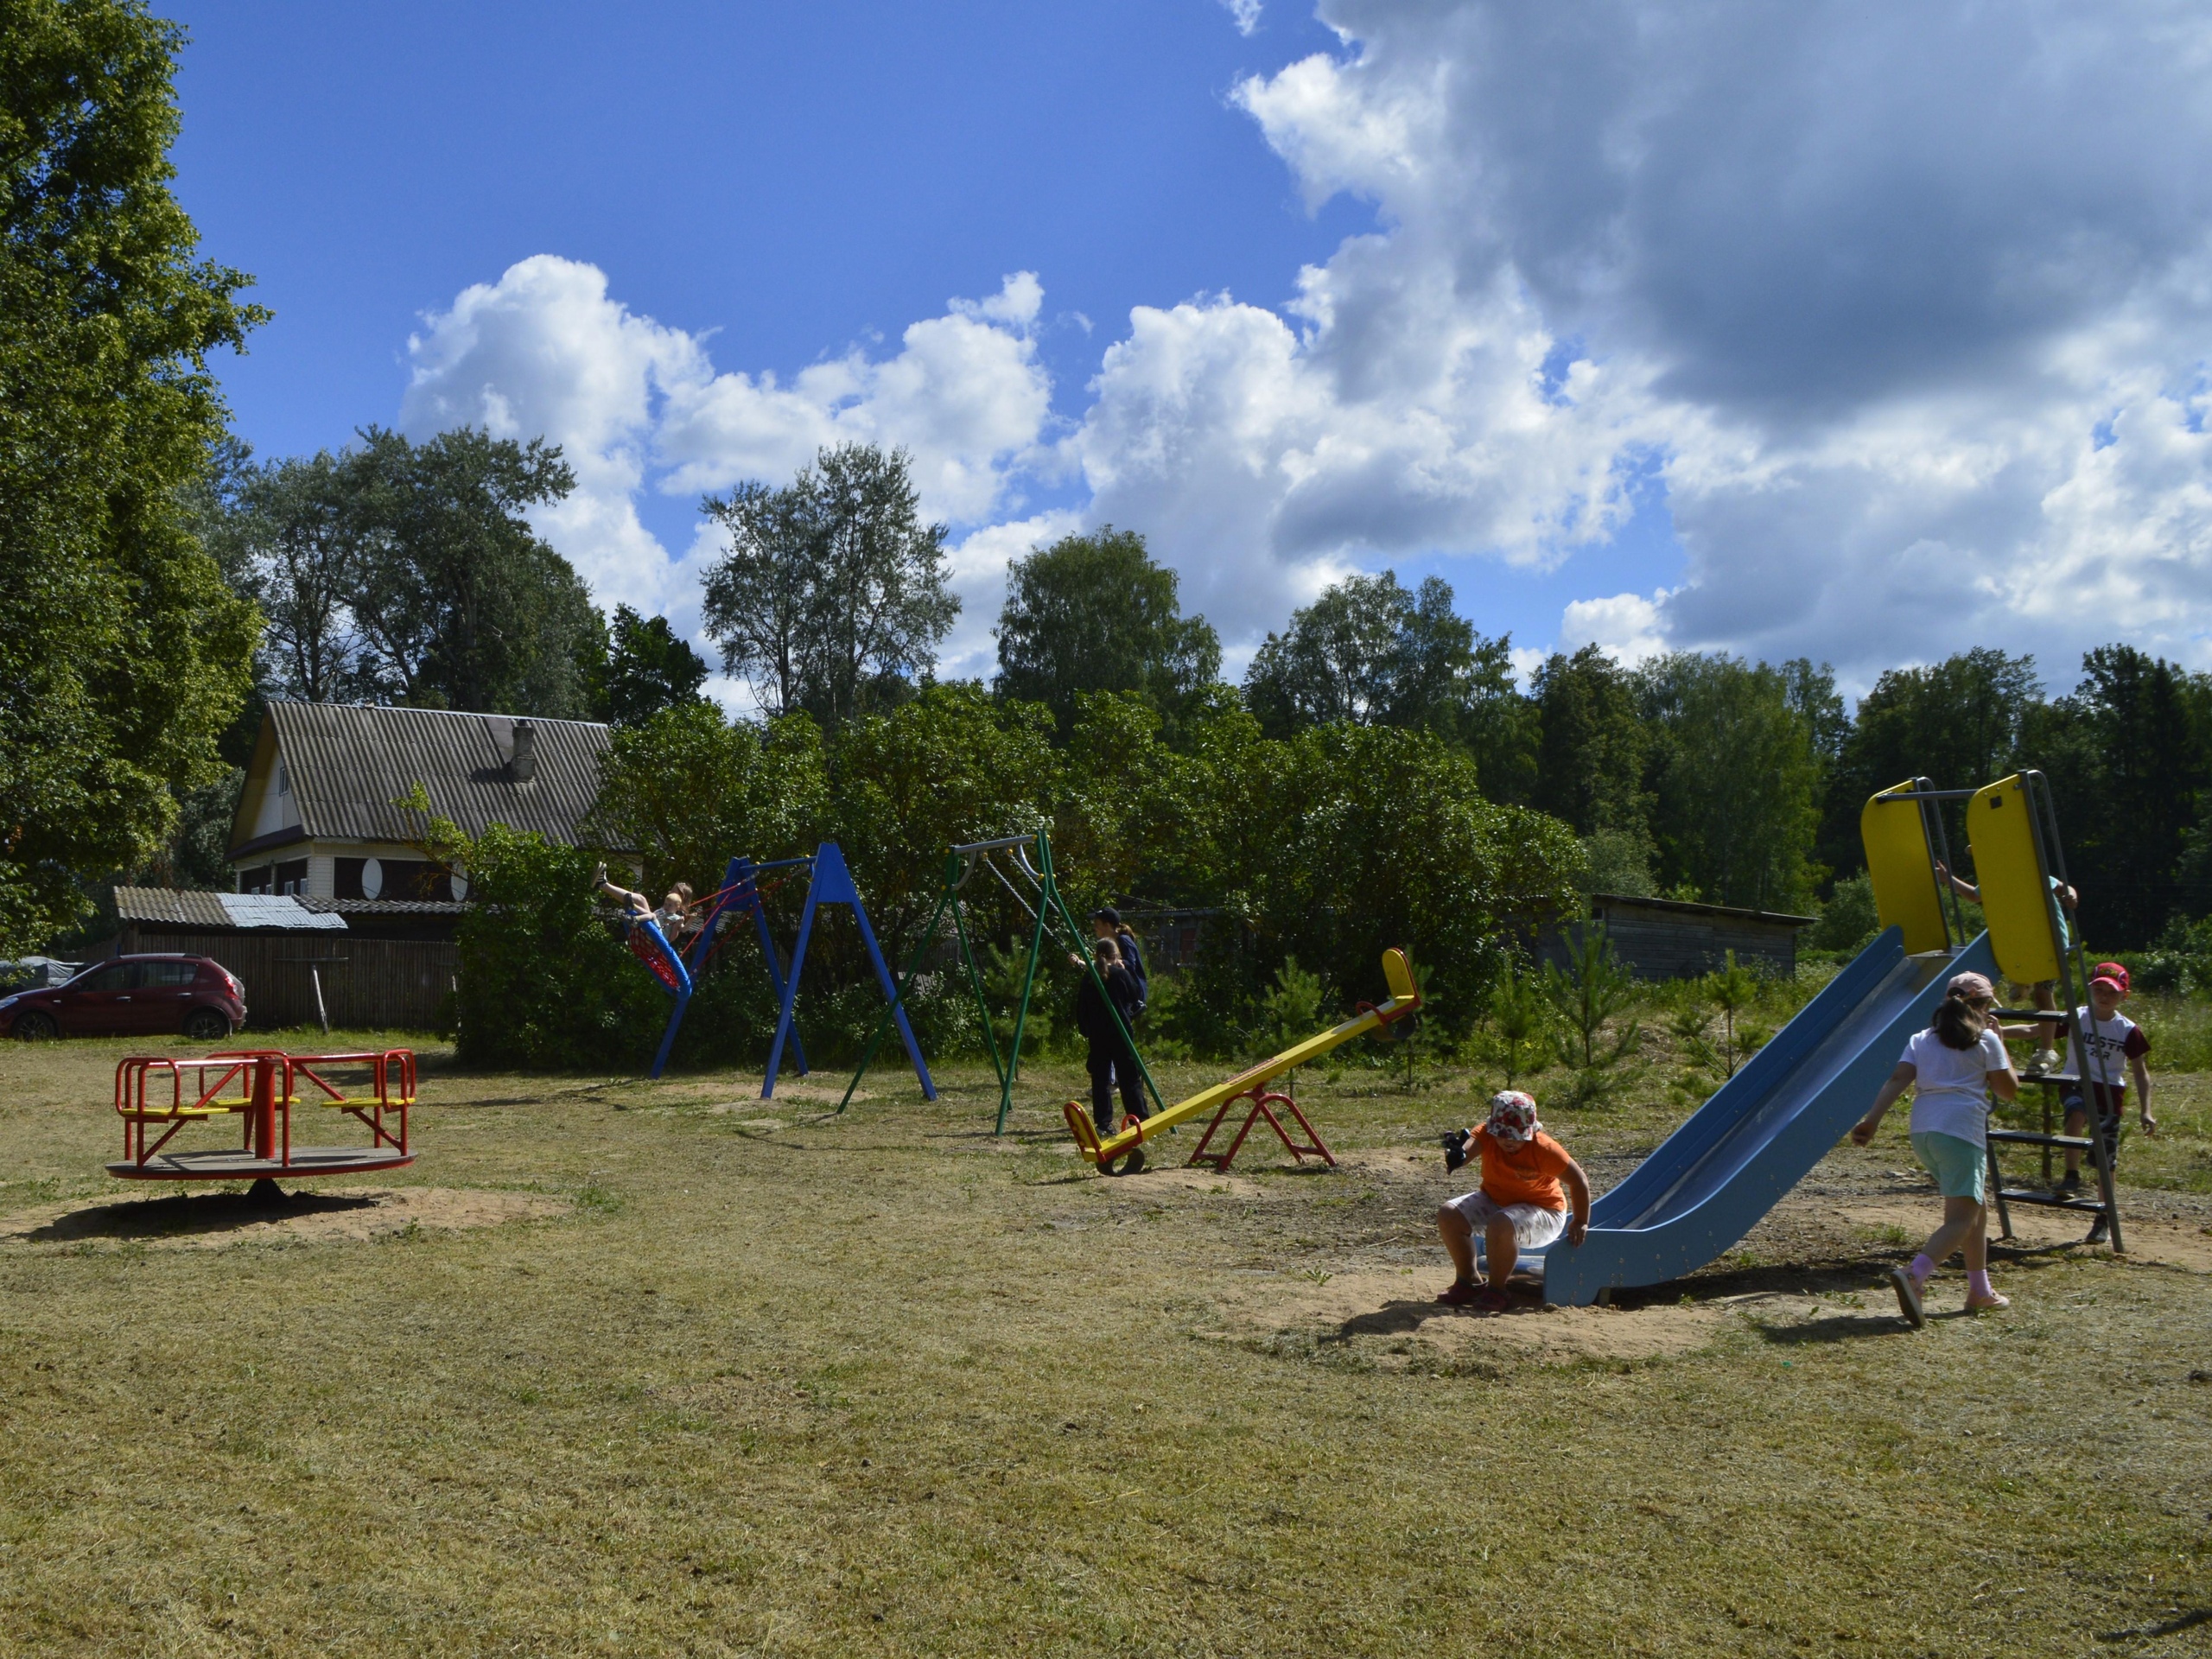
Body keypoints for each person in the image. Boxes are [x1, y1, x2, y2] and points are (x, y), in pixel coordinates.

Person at [1850, 970, 2019, 1325]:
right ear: (1984, 1006)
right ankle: (1915, 1274)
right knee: (1962, 1218)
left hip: (1925, 1131)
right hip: (1959, 1131)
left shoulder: (1921, 1038)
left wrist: (1872, 1120)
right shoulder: (1986, 1039)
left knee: (1975, 1208)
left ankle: (1979, 1290)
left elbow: (1898, 1078)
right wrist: (2001, 1043)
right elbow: (2008, 1090)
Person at [1435, 1090, 1593, 1313]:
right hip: (1498, 1202)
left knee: (1502, 1222)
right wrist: (1457, 1155)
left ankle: (1497, 1290)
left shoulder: (1544, 1149)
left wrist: (1580, 1221)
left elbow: (1579, 1181)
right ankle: (1469, 1282)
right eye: (1503, 1134)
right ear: (1492, 1129)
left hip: (1545, 1212)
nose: (1509, 1141)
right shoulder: (1486, 1135)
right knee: (1449, 1213)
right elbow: (1468, 1150)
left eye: (1518, 1135)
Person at [1933, 860, 2077, 1071]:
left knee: (2043, 994)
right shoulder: (1996, 881)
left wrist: (2071, 896)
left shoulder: (2035, 877)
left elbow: (2063, 887)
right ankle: (2021, 979)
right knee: (2000, 966)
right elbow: (1974, 895)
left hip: (2049, 944)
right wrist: (1948, 879)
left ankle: (2047, 1050)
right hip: (2019, 946)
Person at [2049, 961, 2155, 1235]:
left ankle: (2103, 1218)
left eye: (2112, 992)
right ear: (2090, 990)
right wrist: (1997, 1034)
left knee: (2105, 1162)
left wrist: (2146, 1110)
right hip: (2076, 1082)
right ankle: (2071, 1176)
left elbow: (2141, 1073)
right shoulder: (2077, 1016)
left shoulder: (2128, 1029)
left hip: (2109, 1093)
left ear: (2124, 996)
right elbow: (2038, 1030)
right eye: (2099, 990)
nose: (2104, 997)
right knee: (2075, 1113)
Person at [1072, 937, 1146, 1140]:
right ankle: (1139, 1118)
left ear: (1096, 956)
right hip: (1120, 1032)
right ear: (1116, 956)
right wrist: (1124, 969)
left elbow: (1081, 1009)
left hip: (1098, 1035)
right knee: (1129, 1078)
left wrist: (1086, 1030)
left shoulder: (1089, 978)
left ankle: (1103, 1123)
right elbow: (1135, 995)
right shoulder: (1120, 974)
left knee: (1101, 1080)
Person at [595, 864, 695, 948]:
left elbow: (671, 938)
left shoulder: (676, 918)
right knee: (643, 903)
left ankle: (603, 885)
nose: (669, 892)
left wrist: (680, 924)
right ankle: (604, 886)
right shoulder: (663, 910)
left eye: (673, 891)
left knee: (643, 901)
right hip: (645, 934)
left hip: (653, 941)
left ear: (680, 899)